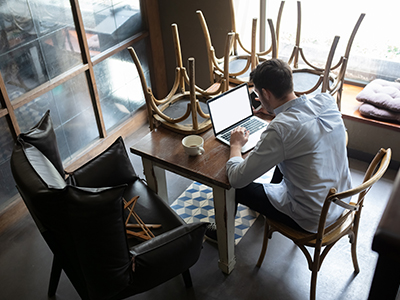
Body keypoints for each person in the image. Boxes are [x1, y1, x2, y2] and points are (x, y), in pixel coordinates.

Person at [205, 58, 352, 242]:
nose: (257, 96)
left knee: (233, 187)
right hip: (340, 202)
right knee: (288, 155)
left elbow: (237, 178)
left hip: (312, 217)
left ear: (265, 93)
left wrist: (235, 145)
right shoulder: (326, 100)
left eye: (257, 92)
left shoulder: (281, 129)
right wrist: (275, 111)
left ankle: (221, 234)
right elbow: (302, 121)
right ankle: (267, 200)